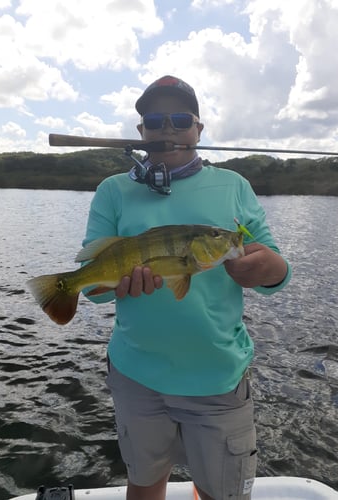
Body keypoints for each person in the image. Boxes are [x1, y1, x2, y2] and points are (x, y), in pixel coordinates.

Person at [82, 75, 291, 500]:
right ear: (141, 134)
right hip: (136, 374)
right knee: (143, 484)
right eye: (155, 121)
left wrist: (270, 269)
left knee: (222, 492)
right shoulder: (113, 190)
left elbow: (271, 262)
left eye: (181, 119)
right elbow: (92, 286)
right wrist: (113, 284)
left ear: (199, 129)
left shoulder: (234, 187)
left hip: (217, 376)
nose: (168, 128)